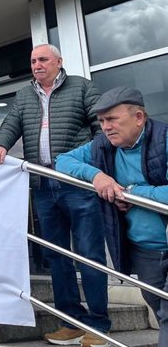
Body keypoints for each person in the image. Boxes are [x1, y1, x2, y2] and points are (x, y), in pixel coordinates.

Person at [0, 43, 109, 346]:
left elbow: (101, 128)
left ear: (59, 61)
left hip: (77, 185)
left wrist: (92, 167)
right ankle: (71, 322)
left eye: (43, 59)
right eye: (32, 61)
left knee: (89, 255)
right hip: (43, 186)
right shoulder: (24, 94)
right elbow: (11, 123)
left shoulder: (81, 87)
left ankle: (98, 325)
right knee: (56, 257)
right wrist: (1, 143)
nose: (37, 65)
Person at [56, 86, 168, 347]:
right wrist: (97, 176)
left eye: (113, 119)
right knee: (160, 311)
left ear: (139, 117)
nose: (106, 127)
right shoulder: (103, 146)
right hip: (144, 251)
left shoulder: (164, 140)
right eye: (102, 121)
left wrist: (131, 193)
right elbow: (63, 161)